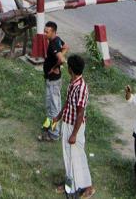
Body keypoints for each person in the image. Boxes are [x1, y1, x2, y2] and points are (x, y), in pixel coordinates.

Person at [54, 55, 95, 198]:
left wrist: (74, 134)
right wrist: (59, 116)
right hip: (67, 122)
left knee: (78, 156)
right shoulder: (73, 83)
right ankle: (69, 184)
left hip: (74, 127)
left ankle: (87, 187)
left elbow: (80, 113)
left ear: (70, 69)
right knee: (68, 156)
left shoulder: (81, 88)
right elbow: (68, 103)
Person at [38, 21, 68, 142]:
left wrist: (55, 67)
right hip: (54, 80)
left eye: (47, 32)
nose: (45, 34)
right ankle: (49, 127)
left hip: (53, 81)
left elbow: (62, 59)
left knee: (54, 107)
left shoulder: (53, 45)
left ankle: (54, 134)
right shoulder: (57, 39)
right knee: (52, 105)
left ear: (53, 32)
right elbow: (66, 47)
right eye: (44, 31)